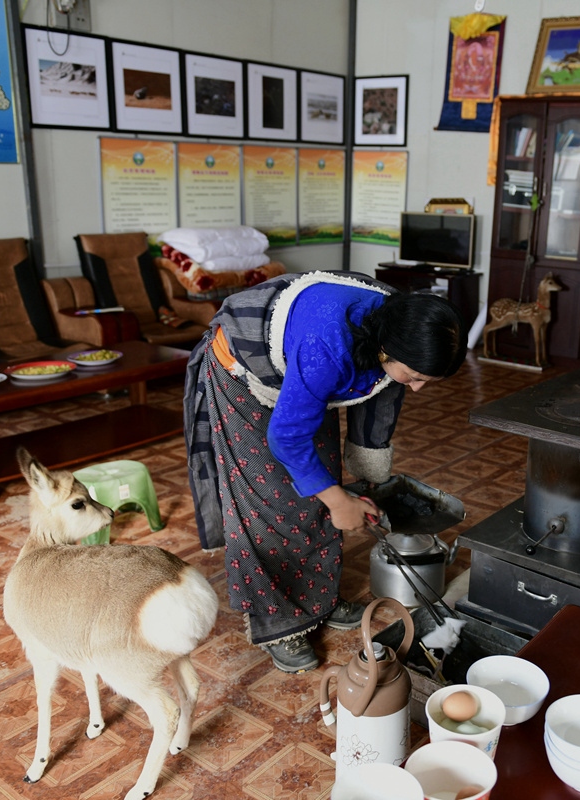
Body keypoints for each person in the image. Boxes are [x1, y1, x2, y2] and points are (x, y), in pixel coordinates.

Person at [183, 271, 467, 672]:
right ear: (386, 348)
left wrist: (349, 490)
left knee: (321, 477)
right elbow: (286, 439)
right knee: (269, 500)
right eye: (416, 376)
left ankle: (319, 600)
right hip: (245, 369)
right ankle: (279, 622)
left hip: (304, 367)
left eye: (427, 380)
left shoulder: (401, 321)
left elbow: (380, 397)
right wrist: (336, 499)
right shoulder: (327, 345)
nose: (417, 388)